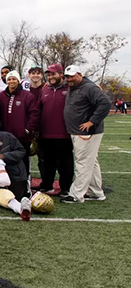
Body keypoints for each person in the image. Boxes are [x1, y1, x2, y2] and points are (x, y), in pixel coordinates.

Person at [61, 65, 112, 203]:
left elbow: (105, 103)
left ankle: (77, 194)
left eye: (71, 76)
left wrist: (91, 121)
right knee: (91, 162)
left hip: (86, 132)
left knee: (82, 162)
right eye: (66, 76)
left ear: (79, 74)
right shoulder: (75, 87)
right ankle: (96, 192)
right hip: (78, 131)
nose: (69, 79)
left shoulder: (89, 87)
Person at [37, 64, 73, 197]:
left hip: (64, 133)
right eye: (49, 74)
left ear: (61, 74)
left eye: (53, 74)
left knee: (65, 163)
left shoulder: (70, 89)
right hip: (45, 133)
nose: (51, 77)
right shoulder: (44, 89)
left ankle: (65, 188)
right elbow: (39, 108)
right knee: (47, 163)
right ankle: (47, 185)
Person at [0, 70, 39, 179]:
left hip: (22, 136)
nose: (11, 81)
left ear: (18, 80)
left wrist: (27, 129)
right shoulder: (1, 96)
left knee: (23, 159)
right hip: (6, 136)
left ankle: (25, 182)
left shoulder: (27, 96)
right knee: (6, 159)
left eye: (14, 79)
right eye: (9, 79)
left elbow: (34, 114)